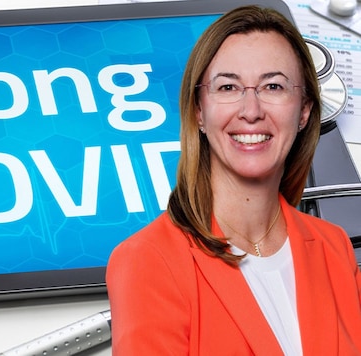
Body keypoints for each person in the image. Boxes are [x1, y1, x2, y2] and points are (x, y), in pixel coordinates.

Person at [106, 5, 361, 355]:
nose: (251, 110)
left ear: (303, 110)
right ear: (199, 111)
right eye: (228, 87)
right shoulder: (148, 260)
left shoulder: (334, 248)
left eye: (274, 86)